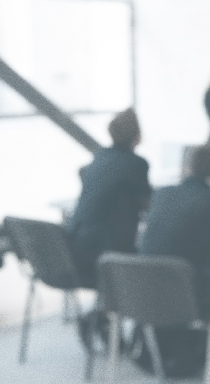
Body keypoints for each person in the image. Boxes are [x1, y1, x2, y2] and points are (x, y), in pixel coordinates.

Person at [137, 143, 210, 376]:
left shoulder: (161, 193)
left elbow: (177, 238)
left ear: (188, 167)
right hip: (186, 295)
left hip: (144, 291)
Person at [66, 108, 151, 289]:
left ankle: (105, 311)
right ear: (137, 136)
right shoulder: (136, 164)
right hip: (108, 253)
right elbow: (148, 203)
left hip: (77, 249)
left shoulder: (99, 158)